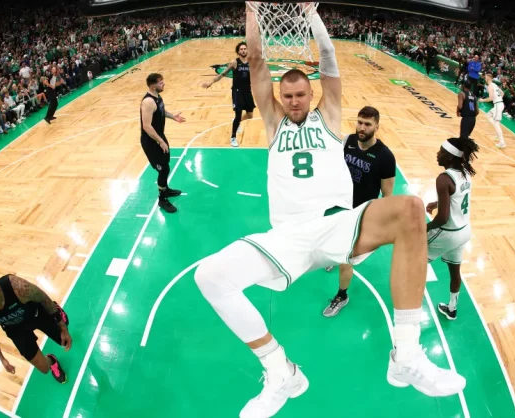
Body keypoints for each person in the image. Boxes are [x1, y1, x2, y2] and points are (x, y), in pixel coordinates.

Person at [194, 5, 466, 417]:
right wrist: (251, 9)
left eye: (300, 94)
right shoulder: (273, 122)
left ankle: (406, 355)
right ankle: (281, 371)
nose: (294, 101)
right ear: (280, 97)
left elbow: (329, 58)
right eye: (288, 96)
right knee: (210, 277)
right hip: (287, 236)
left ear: (311, 93)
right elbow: (258, 61)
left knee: (411, 209)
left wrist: (312, 16)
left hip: (336, 222)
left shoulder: (329, 116)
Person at [322, 106, 396, 317]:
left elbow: (387, 195)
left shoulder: (385, 157)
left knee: (345, 257)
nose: (362, 128)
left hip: (360, 214)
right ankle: (334, 259)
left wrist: (379, 222)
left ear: (377, 126)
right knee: (332, 240)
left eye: (368, 124)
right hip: (339, 206)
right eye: (360, 122)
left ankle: (342, 296)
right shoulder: (348, 142)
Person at [0, 268, 71, 383]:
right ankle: (52, 361)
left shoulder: (18, 288)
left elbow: (42, 298)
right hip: (16, 330)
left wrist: (62, 326)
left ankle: (56, 309)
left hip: (36, 314)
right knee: (44, 369)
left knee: (64, 341)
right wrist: (1, 357)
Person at [425, 138, 479, 320]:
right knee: (455, 273)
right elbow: (456, 197)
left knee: (413, 259)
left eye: (441, 151)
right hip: (464, 231)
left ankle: (409, 306)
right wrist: (437, 203)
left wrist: (424, 228)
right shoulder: (465, 173)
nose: (437, 154)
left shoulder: (443, 178)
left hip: (448, 233)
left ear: (449, 157)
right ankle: (452, 308)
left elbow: (442, 218)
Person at [140, 73, 186, 213]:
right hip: (151, 141)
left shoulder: (157, 97)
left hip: (159, 137)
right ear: (153, 86)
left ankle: (165, 190)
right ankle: (162, 199)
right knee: (163, 169)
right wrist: (160, 141)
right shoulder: (148, 102)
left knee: (165, 164)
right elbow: (146, 126)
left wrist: (173, 117)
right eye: (161, 83)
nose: (163, 84)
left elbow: (161, 111)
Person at [202, 41, 255, 147]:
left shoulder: (251, 62)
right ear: (238, 51)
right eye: (241, 49)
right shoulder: (234, 62)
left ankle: (237, 121)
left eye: (245, 49)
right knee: (238, 114)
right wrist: (211, 82)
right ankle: (233, 137)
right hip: (237, 91)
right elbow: (222, 74)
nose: (243, 51)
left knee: (250, 115)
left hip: (247, 91)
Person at [479, 73, 506, 149]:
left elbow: (490, 98)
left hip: (498, 105)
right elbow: (502, 93)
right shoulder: (494, 85)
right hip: (499, 104)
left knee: (496, 123)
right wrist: (499, 99)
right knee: (488, 115)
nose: (485, 78)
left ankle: (502, 142)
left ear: (488, 78)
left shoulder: (490, 86)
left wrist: (482, 100)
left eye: (485, 77)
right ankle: (498, 134)